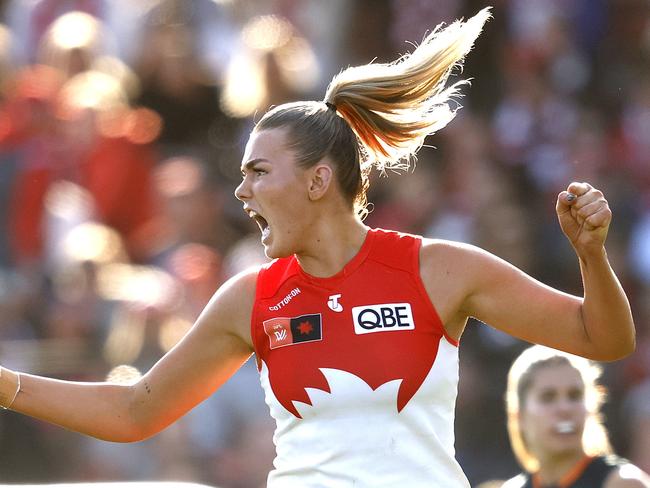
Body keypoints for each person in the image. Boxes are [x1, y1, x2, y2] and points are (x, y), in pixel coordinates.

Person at [0, 7, 637, 487]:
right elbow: (135, 411)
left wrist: (592, 256)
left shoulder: (436, 268)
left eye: (258, 172)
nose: (241, 191)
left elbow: (603, 338)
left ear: (317, 180)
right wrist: (6, 386)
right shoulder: (249, 298)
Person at [501, 346, 650, 488]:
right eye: (548, 397)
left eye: (574, 396)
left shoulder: (624, 484)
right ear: (519, 416)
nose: (565, 408)